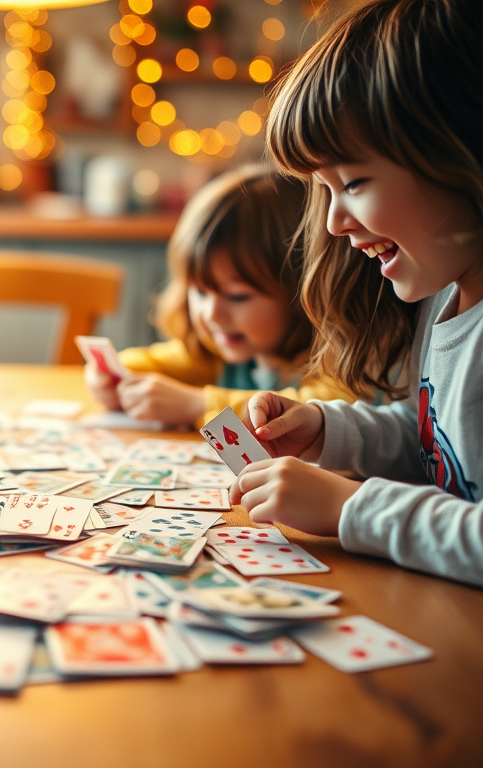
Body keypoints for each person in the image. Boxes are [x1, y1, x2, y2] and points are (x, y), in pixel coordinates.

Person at [230, 0, 483, 587]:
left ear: (459, 152)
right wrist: (326, 430)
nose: (334, 223)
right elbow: (440, 437)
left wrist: (349, 509)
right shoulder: (442, 301)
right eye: (325, 190)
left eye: (355, 182)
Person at [85, 164, 355, 429]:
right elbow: (154, 363)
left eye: (237, 297)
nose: (212, 313)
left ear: (303, 290)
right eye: (200, 291)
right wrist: (112, 377)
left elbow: (323, 413)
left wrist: (198, 405)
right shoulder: (220, 353)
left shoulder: (335, 367)